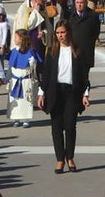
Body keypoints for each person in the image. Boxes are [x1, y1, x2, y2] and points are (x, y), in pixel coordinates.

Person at [38, 20, 91, 174]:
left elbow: (83, 75)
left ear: (68, 32)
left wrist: (85, 94)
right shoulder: (53, 51)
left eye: (63, 32)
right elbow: (46, 74)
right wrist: (42, 93)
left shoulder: (77, 51)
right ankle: (60, 158)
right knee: (56, 127)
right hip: (56, 91)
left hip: (72, 92)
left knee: (70, 126)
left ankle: (70, 157)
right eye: (58, 33)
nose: (61, 36)